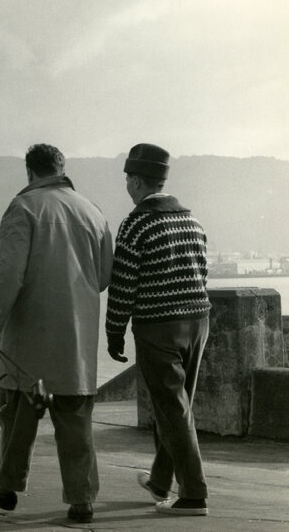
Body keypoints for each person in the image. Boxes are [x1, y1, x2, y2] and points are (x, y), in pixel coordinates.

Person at [0, 144, 114, 525]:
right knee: (75, 419)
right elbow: (102, 276)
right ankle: (82, 500)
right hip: (77, 339)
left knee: (18, 414)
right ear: (61, 168)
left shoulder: (24, 208)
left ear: (30, 171)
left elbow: (8, 275)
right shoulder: (92, 211)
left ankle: (6, 484)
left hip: (30, 337)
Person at [106, 143, 211, 517]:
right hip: (198, 321)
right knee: (178, 407)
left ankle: (194, 494)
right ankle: (160, 481)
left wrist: (114, 332)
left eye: (127, 181)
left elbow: (123, 285)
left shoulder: (137, 223)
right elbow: (202, 272)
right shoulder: (192, 221)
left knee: (172, 410)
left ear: (135, 181)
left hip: (158, 326)